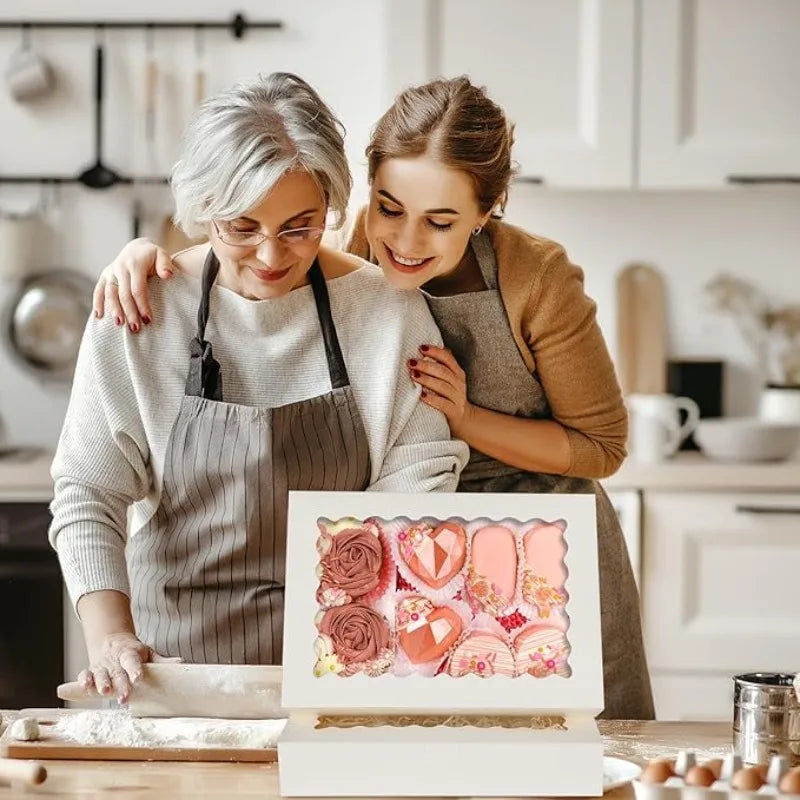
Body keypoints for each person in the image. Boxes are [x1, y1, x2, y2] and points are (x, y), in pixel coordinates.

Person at [91, 76, 654, 719]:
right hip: (408, 556)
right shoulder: (353, 257)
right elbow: (259, 241)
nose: (406, 243)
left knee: (576, 753)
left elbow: (601, 447)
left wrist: (463, 419)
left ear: (490, 207)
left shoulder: (536, 279)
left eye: (439, 222)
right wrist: (148, 258)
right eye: (389, 208)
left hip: (534, 554)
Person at [50, 72, 467, 703]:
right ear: (202, 211)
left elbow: (419, 469)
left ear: (330, 205)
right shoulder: (142, 310)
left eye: (300, 226)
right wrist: (110, 637)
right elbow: (88, 491)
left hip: (347, 671)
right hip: (173, 674)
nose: (272, 255)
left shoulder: (387, 313)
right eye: (241, 228)